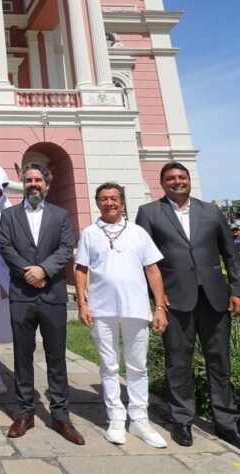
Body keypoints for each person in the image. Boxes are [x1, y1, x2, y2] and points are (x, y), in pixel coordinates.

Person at [134, 162, 240, 455]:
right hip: (174, 299)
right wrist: (155, 300)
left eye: (182, 177)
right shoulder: (149, 213)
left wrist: (239, 290)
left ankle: (227, 423)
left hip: (214, 298)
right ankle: (181, 420)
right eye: (171, 178)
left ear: (189, 180)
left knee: (220, 361)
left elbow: (230, 253)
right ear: (162, 183)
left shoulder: (211, 212)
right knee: (178, 362)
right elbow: (142, 259)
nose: (177, 181)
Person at [76, 182, 169, 448]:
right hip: (101, 308)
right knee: (109, 365)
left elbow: (152, 270)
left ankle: (139, 418)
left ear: (122, 202)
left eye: (114, 198)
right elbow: (81, 269)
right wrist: (82, 303)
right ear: (98, 203)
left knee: (138, 365)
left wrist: (159, 307)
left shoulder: (138, 232)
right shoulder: (90, 233)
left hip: (135, 308)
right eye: (104, 199)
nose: (109, 203)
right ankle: (116, 417)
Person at [0, 162, 84, 445]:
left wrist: (43, 270)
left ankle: (60, 415)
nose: (33, 184)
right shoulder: (9, 216)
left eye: (38, 180)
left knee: (56, 356)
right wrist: (28, 272)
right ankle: (25, 413)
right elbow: (5, 247)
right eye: (29, 180)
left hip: (52, 294)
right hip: (22, 294)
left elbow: (66, 247)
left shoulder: (60, 215)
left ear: (47, 184)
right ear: (23, 184)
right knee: (22, 355)